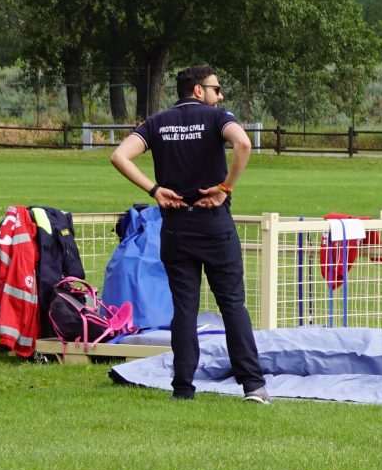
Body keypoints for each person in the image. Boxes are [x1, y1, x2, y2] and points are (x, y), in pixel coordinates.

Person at [111, 65, 269, 403]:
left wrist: (155, 189)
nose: (220, 94)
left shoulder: (156, 123)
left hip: (175, 227)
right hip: (214, 224)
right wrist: (226, 186)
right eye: (216, 88)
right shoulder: (217, 118)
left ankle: (183, 389)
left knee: (184, 309)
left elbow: (119, 155)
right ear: (199, 91)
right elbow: (243, 143)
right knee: (232, 306)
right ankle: (253, 386)